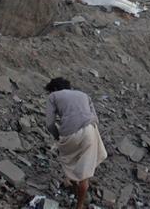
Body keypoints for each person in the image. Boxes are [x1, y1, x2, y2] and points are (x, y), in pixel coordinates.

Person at [45, 77, 107, 209]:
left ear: (54, 89)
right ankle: (79, 204)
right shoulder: (83, 95)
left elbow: (49, 124)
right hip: (90, 130)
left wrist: (57, 138)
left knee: (69, 161)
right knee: (85, 171)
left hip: (69, 133)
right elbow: (95, 118)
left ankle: (76, 189)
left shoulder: (53, 96)